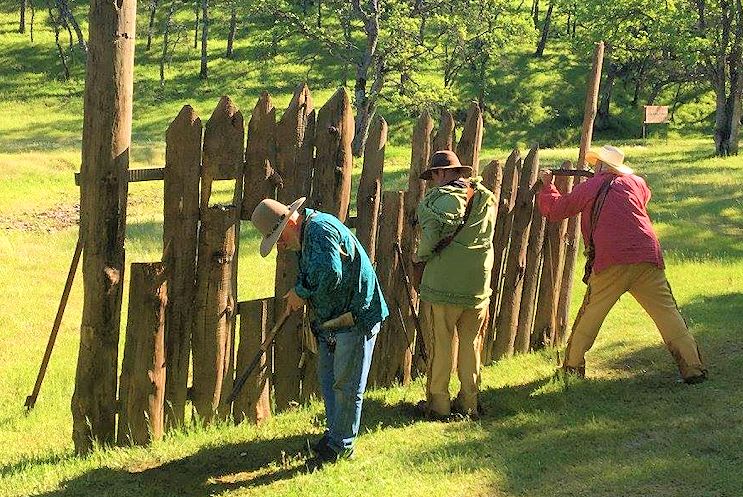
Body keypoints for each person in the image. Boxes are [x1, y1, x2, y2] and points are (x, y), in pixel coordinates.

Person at [537, 144, 707, 384]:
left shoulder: (591, 186)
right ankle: (693, 368)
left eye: (596, 164)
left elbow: (556, 210)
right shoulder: (637, 183)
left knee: (590, 316)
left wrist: (547, 186)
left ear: (601, 166)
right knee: (668, 315)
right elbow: (642, 198)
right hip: (648, 256)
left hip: (611, 260)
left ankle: (572, 368)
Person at [251, 197, 389, 464]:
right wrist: (298, 290)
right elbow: (313, 271)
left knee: (346, 385)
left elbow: (329, 273)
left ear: (291, 220)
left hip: (355, 317)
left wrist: (301, 293)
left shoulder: (320, 230)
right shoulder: (305, 236)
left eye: (280, 236)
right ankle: (335, 435)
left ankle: (342, 446)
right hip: (332, 321)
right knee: (328, 380)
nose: (280, 244)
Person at [415, 150, 497, 419]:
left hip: (444, 284)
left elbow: (429, 243)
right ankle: (470, 402)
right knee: (470, 344)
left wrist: (419, 257)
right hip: (477, 285)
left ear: (441, 174)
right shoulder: (486, 198)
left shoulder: (437, 202)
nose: (432, 182)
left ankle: (439, 404)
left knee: (442, 344)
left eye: (433, 176)